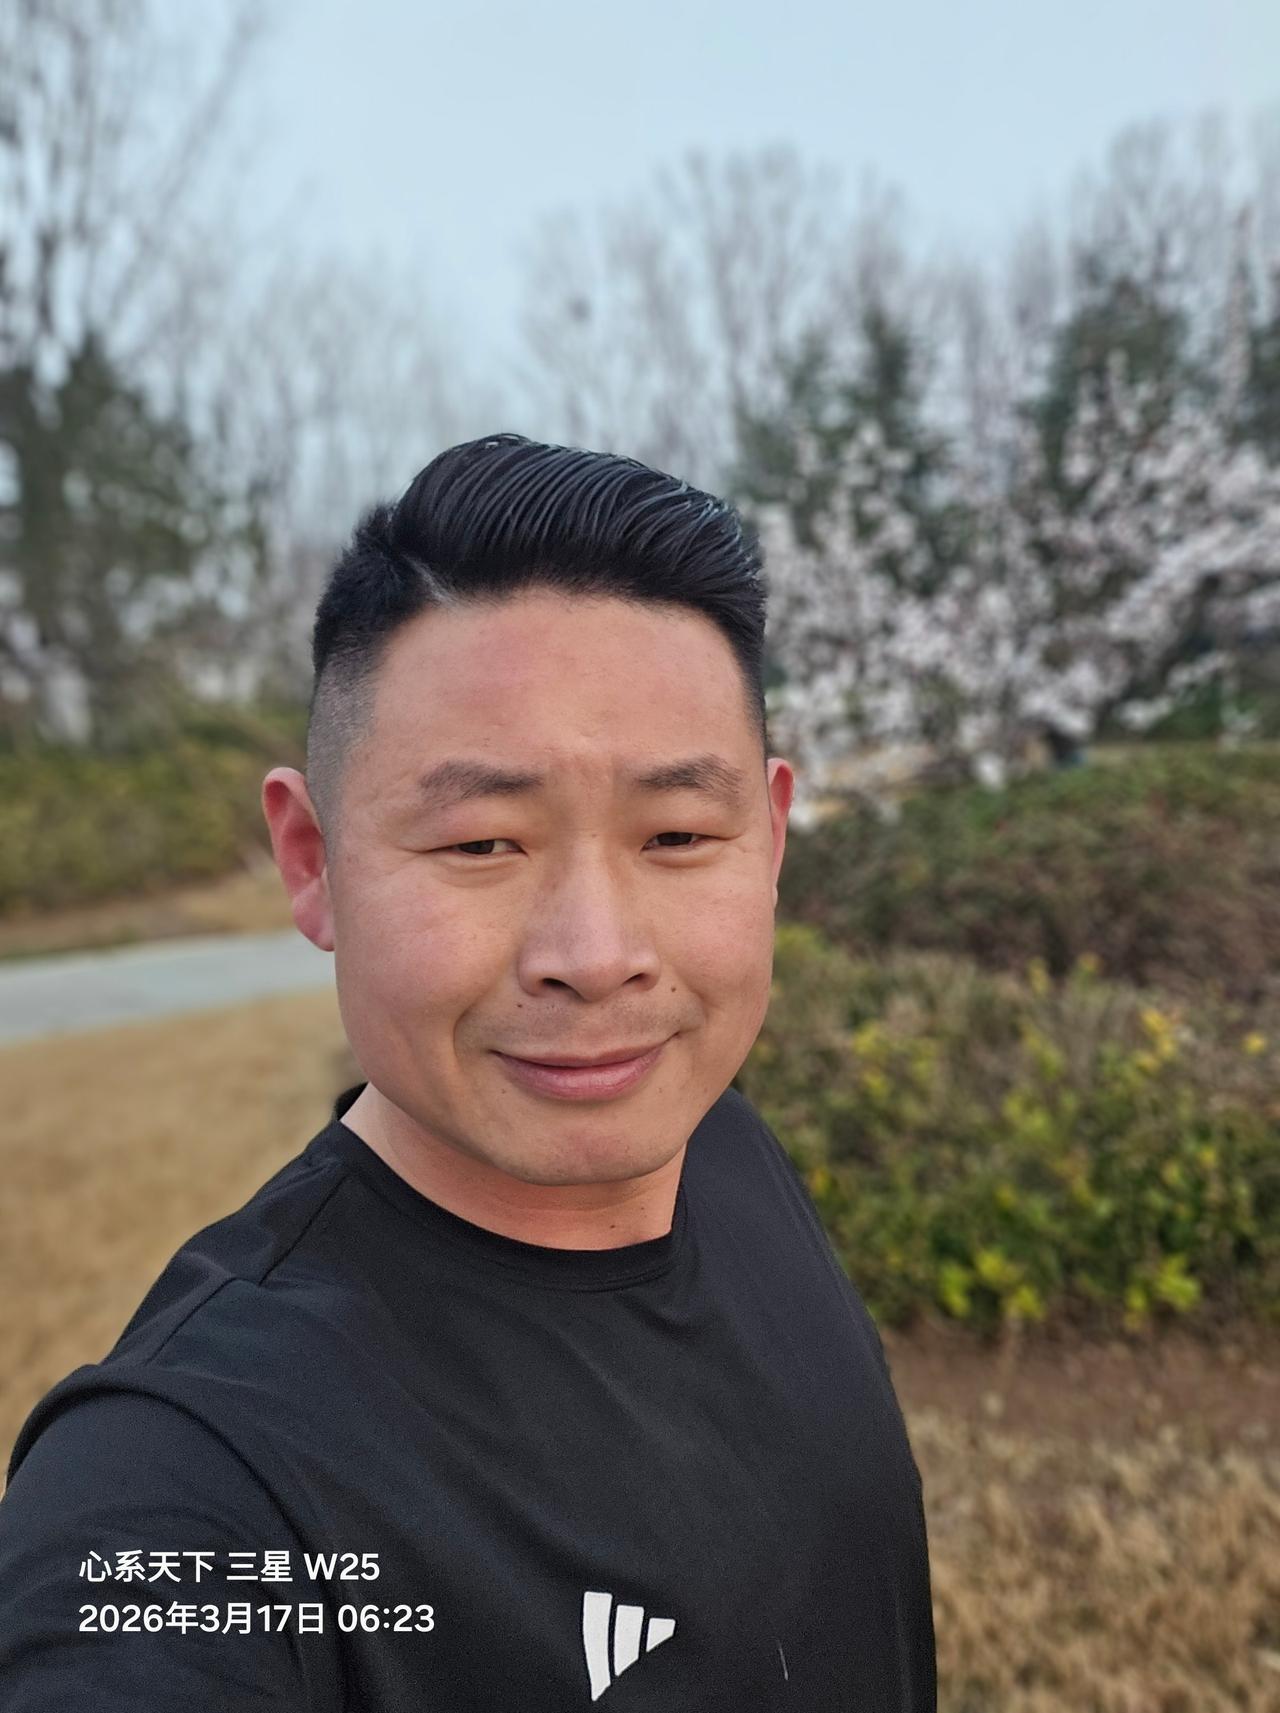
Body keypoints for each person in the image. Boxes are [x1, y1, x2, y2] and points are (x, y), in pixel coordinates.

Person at [0, 433, 937, 1710]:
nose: (593, 958)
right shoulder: (194, 1472)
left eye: (675, 834)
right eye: (482, 844)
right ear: (312, 862)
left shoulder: (722, 1146)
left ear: (767, 840)